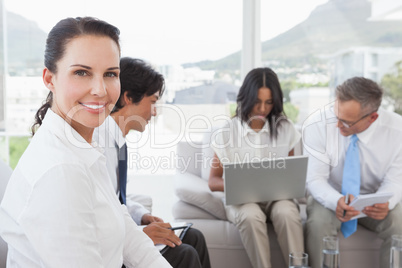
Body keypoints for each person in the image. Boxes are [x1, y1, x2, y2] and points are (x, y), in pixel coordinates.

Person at [0, 17, 170, 268]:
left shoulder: (83, 146)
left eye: (110, 74)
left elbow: (124, 229)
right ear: (49, 79)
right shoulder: (60, 171)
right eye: (81, 72)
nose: (100, 90)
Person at [94, 57, 211, 268]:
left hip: (123, 232)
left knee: (194, 237)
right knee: (184, 254)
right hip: (109, 249)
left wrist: (142, 216)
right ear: (129, 97)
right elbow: (99, 219)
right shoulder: (98, 145)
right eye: (153, 101)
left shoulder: (117, 142)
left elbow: (114, 200)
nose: (155, 112)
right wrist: (141, 234)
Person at [208, 67, 304, 268]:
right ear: (246, 98)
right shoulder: (227, 132)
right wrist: (241, 184)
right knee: (251, 215)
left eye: (268, 103)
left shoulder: (286, 128)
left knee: (286, 211)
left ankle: (297, 266)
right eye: (257, 102)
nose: (262, 109)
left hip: (278, 199)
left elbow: (291, 172)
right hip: (243, 202)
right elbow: (213, 181)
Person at [303, 77, 402, 268]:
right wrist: (335, 200)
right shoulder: (317, 125)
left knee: (399, 222)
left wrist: (386, 203)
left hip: (374, 197)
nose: (337, 125)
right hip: (330, 195)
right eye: (336, 115)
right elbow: (315, 179)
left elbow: (396, 180)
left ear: (372, 118)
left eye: (346, 122)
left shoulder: (398, 131)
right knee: (318, 224)